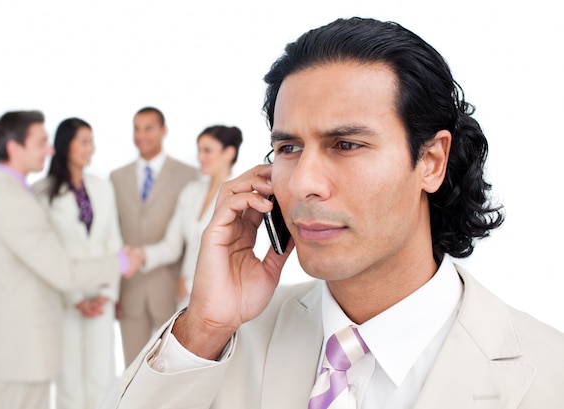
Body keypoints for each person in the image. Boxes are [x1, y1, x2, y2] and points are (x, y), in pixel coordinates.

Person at [111, 17, 564, 408]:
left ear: (430, 161)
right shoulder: (215, 346)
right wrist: (205, 328)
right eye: (288, 147)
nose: (304, 182)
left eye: (346, 145)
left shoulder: (549, 375)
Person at [0, 111, 143, 409]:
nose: (49, 150)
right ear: (14, 148)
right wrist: (121, 263)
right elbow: (61, 270)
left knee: (102, 381)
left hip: (16, 345)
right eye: (41, 142)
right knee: (69, 389)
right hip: (22, 344)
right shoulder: (16, 201)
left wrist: (106, 291)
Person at [32, 118, 123, 409]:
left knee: (102, 377)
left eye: (91, 141)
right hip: (64, 298)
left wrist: (107, 294)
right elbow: (45, 252)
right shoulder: (42, 193)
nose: (90, 148)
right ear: (65, 145)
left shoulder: (102, 187)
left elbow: (113, 243)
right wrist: (74, 298)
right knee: (69, 381)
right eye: (84, 141)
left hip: (101, 295)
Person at [110, 106, 198, 367]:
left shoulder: (188, 175)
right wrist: (113, 291)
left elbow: (190, 238)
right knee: (132, 370)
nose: (141, 135)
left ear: (163, 131)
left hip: (170, 291)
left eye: (148, 128)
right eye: (136, 129)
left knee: (169, 369)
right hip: (130, 292)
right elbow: (112, 236)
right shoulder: (116, 178)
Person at [141, 125, 243, 309]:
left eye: (207, 151)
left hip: (219, 297)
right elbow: (172, 246)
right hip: (184, 299)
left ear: (229, 153)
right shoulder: (191, 192)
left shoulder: (241, 197)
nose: (200, 157)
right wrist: (140, 255)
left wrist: (190, 283)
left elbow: (236, 258)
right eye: (199, 150)